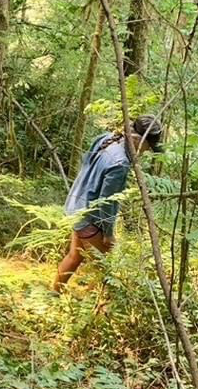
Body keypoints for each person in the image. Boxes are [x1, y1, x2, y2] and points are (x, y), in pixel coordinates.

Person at [53, 115, 164, 292]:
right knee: (107, 266)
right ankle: (93, 309)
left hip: (75, 205)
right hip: (87, 217)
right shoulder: (121, 164)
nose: (146, 151)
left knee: (75, 256)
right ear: (138, 139)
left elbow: (87, 164)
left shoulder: (106, 138)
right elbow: (107, 202)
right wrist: (108, 233)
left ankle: (54, 294)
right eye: (147, 146)